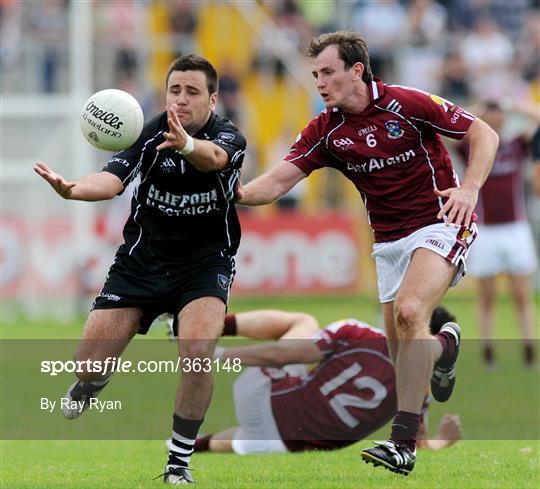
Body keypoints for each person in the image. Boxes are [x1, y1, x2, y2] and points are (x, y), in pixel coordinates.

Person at [235, 31, 499, 475]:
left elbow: (482, 132)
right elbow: (277, 183)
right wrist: (233, 192)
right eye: (315, 74)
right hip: (388, 242)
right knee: (401, 354)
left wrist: (470, 188)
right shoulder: (326, 131)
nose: (319, 82)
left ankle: (402, 445)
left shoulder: (408, 104)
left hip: (440, 222)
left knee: (411, 311)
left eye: (327, 72)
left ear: (356, 70)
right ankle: (445, 348)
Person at [33, 54, 246, 485]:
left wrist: (185, 144)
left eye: (192, 92)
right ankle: (91, 385)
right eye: (174, 90)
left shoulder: (229, 136)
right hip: (141, 263)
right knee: (87, 365)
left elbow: (215, 159)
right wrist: (74, 189)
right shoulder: (148, 133)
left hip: (204, 265)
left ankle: (177, 464)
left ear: (212, 98)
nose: (181, 100)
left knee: (198, 349)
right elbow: (111, 180)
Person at [176, 307, 462, 457]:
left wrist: (218, 355)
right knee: (261, 435)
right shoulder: (420, 389)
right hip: (299, 443)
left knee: (304, 323)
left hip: (263, 400)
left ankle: (212, 328)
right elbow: (418, 444)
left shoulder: (361, 334)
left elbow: (280, 354)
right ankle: (197, 445)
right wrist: (444, 441)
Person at [457, 102, 538, 368]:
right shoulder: (474, 148)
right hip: (487, 231)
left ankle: (528, 347)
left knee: (521, 294)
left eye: (498, 117)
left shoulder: (516, 146)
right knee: (487, 295)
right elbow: (448, 131)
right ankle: (488, 349)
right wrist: (477, 109)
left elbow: (537, 118)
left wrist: (510, 104)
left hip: (516, 228)